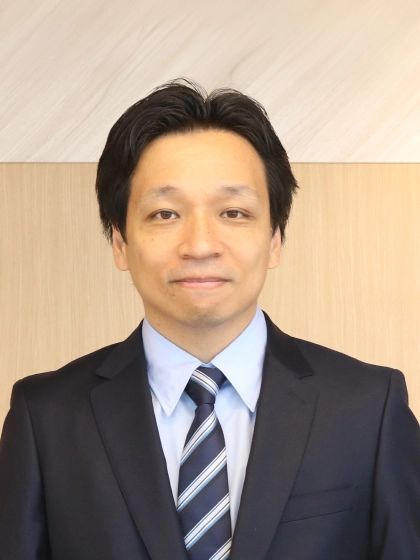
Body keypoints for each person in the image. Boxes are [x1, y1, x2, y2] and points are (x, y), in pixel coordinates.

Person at [0, 79, 419, 560]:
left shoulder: (369, 408)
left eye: (233, 212)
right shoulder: (46, 418)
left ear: (275, 238)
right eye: (165, 214)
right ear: (120, 242)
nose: (200, 245)